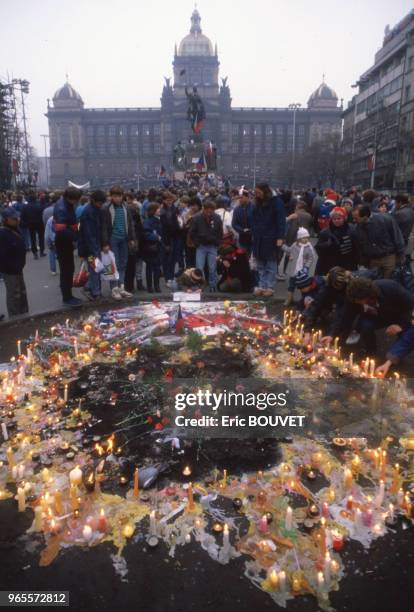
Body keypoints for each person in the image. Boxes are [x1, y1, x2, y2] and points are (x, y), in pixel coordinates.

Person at [325, 276, 414, 355]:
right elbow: (344, 317)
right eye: (356, 302)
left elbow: (411, 306)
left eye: (361, 301)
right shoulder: (353, 298)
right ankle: (371, 351)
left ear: (369, 295)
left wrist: (401, 325)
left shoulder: (390, 287)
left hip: (398, 315)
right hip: (375, 316)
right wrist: (331, 334)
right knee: (366, 326)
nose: (358, 304)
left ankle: (395, 355)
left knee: (406, 336)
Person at [251, 183, 286, 297]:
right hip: (259, 237)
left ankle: (269, 287)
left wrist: (280, 237)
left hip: (271, 237)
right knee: (260, 264)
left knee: (270, 264)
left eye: (258, 193)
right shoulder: (257, 203)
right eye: (255, 193)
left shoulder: (276, 202)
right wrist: (254, 232)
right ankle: (262, 285)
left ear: (265, 192)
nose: (256, 195)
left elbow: (281, 221)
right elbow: (254, 219)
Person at [101, 185, 136, 300]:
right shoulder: (106, 208)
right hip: (113, 239)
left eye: (119, 196)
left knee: (123, 263)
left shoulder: (126, 207)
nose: (117, 198)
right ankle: (114, 289)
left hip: (124, 238)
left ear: (122, 196)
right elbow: (104, 227)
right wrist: (105, 243)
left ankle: (121, 287)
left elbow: (130, 224)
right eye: (115, 196)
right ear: (111, 196)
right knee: (113, 265)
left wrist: (131, 238)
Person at [352, 204, 405, 278]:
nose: (354, 220)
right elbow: (360, 246)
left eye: (356, 218)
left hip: (388, 257)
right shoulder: (357, 228)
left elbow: (397, 236)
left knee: (389, 281)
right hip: (373, 260)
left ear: (365, 216)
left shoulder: (385, 219)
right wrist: (364, 261)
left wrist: (401, 255)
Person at [54, 186, 82, 306]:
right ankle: (67, 297)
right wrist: (75, 236)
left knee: (68, 269)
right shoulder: (62, 208)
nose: (78, 202)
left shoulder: (66, 204)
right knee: (67, 270)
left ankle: (67, 294)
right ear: (72, 199)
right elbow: (61, 230)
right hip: (63, 243)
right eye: (77, 200)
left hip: (66, 241)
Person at [78, 190, 107, 301]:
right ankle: (95, 292)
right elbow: (89, 235)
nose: (101, 205)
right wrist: (95, 252)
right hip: (90, 249)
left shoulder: (94, 209)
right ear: (94, 201)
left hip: (91, 247)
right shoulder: (89, 213)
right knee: (95, 269)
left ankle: (90, 287)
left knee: (94, 269)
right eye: (100, 203)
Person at [189, 200, 223, 292]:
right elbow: (192, 232)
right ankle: (200, 286)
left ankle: (213, 285)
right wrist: (196, 243)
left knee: (212, 268)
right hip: (201, 246)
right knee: (199, 267)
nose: (209, 213)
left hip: (213, 246)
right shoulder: (196, 218)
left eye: (211, 211)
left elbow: (220, 232)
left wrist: (218, 242)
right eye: (207, 210)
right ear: (203, 209)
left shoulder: (217, 218)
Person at [0, 208, 28, 317]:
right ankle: (15, 317)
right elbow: (3, 255)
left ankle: (24, 313)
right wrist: (12, 267)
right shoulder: (2, 234)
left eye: (17, 217)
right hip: (10, 270)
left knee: (21, 292)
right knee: (13, 294)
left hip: (18, 268)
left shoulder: (15, 229)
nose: (17, 220)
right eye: (14, 218)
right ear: (6, 220)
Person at [315, 206, 358, 275]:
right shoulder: (325, 232)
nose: (336, 220)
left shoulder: (351, 230)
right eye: (334, 219)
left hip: (348, 263)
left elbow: (356, 247)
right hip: (330, 265)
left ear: (344, 218)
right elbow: (318, 248)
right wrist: (327, 244)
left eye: (339, 218)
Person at [282, 227, 317, 306]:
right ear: (299, 238)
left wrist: (306, 267)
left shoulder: (308, 247)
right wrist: (282, 246)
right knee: (291, 286)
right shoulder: (295, 245)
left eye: (306, 237)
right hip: (293, 270)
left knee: (303, 287)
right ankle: (289, 299)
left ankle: (303, 300)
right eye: (303, 238)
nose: (305, 239)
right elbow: (289, 250)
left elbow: (310, 258)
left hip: (302, 271)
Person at [160, 191, 182, 287]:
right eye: (167, 200)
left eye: (171, 200)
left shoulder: (175, 209)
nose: (169, 202)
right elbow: (163, 226)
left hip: (175, 236)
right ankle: (167, 278)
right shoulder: (162, 211)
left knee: (173, 259)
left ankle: (171, 277)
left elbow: (179, 220)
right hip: (166, 237)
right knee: (166, 259)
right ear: (164, 200)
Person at [124, 192, 144, 293]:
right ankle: (138, 283)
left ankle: (129, 286)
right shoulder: (138, 221)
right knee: (136, 264)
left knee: (130, 266)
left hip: (131, 244)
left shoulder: (128, 221)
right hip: (136, 243)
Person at [142, 203, 162, 293]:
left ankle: (155, 286)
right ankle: (151, 286)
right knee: (151, 267)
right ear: (153, 211)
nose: (160, 210)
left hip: (157, 247)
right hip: (150, 247)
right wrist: (157, 237)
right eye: (158, 209)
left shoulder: (159, 220)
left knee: (156, 267)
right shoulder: (148, 221)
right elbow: (146, 234)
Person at [21, 190, 45, 259]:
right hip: (39, 223)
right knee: (41, 237)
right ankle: (41, 251)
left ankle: (35, 253)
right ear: (35, 199)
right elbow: (42, 214)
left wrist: (25, 223)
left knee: (32, 238)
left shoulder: (25, 207)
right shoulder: (39, 205)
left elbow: (23, 216)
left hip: (30, 223)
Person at [232, 187, 253, 254]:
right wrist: (242, 230)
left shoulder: (255, 208)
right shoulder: (237, 210)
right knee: (243, 258)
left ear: (247, 197)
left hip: (254, 238)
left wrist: (252, 230)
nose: (240, 200)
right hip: (242, 238)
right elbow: (234, 224)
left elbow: (259, 221)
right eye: (239, 198)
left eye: (242, 197)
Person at [393, 194, 414, 261]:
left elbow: (393, 228)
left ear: (400, 202)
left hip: (398, 241)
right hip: (406, 239)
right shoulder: (411, 211)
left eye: (395, 202)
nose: (395, 204)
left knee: (397, 261)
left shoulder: (398, 213)